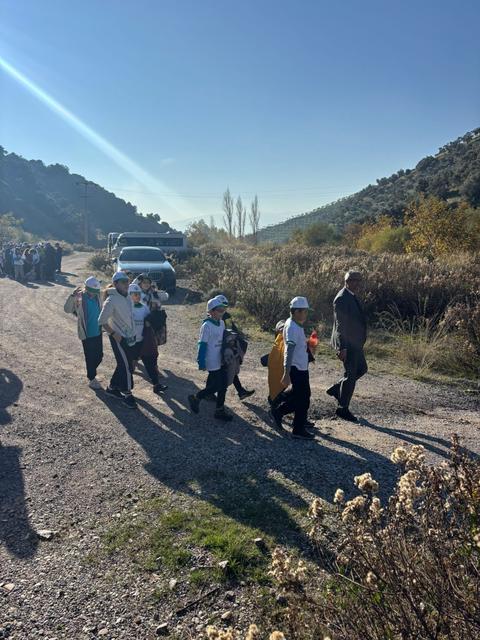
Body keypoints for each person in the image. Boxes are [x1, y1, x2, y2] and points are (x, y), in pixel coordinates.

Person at [270, 297, 314, 440]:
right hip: (296, 367)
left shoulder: (295, 324)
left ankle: (279, 409)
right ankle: (296, 427)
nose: (305, 314)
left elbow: (297, 346)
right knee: (303, 399)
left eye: (306, 311)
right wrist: (286, 372)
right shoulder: (292, 327)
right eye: (303, 311)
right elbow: (289, 351)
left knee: (301, 395)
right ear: (295, 312)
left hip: (301, 366)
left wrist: (308, 345)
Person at [327, 270, 368, 423]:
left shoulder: (351, 295)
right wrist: (342, 347)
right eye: (353, 280)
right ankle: (342, 408)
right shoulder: (342, 298)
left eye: (358, 280)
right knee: (350, 375)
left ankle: (338, 389)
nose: (357, 283)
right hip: (348, 344)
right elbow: (340, 325)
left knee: (362, 369)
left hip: (355, 343)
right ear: (347, 281)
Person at [188, 295, 232, 422]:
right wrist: (201, 361)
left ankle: (219, 410)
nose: (222, 312)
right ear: (211, 311)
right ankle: (197, 397)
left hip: (220, 359)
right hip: (211, 360)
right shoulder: (206, 325)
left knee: (223, 385)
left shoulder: (222, 323)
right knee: (217, 385)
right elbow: (202, 344)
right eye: (219, 310)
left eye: (223, 310)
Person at [98, 271, 138, 409]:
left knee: (124, 363)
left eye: (127, 281)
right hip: (118, 338)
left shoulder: (127, 297)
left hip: (129, 337)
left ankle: (112, 388)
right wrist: (114, 334)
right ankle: (127, 394)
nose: (126, 284)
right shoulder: (111, 300)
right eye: (123, 282)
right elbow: (101, 321)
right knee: (126, 366)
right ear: (115, 284)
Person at [64, 276, 103, 389]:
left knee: (99, 356)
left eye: (95, 292)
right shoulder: (79, 297)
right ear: (86, 288)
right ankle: (91, 378)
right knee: (90, 357)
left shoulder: (97, 296)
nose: (93, 294)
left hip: (98, 332)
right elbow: (67, 309)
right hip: (86, 333)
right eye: (92, 291)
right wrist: (72, 296)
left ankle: (91, 370)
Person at [129, 283, 167, 396]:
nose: (137, 296)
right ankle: (126, 386)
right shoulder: (127, 308)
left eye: (138, 294)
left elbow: (149, 319)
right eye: (134, 294)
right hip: (131, 342)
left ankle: (156, 384)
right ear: (129, 295)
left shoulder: (144, 307)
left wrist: (150, 322)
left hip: (142, 340)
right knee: (131, 364)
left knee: (149, 363)